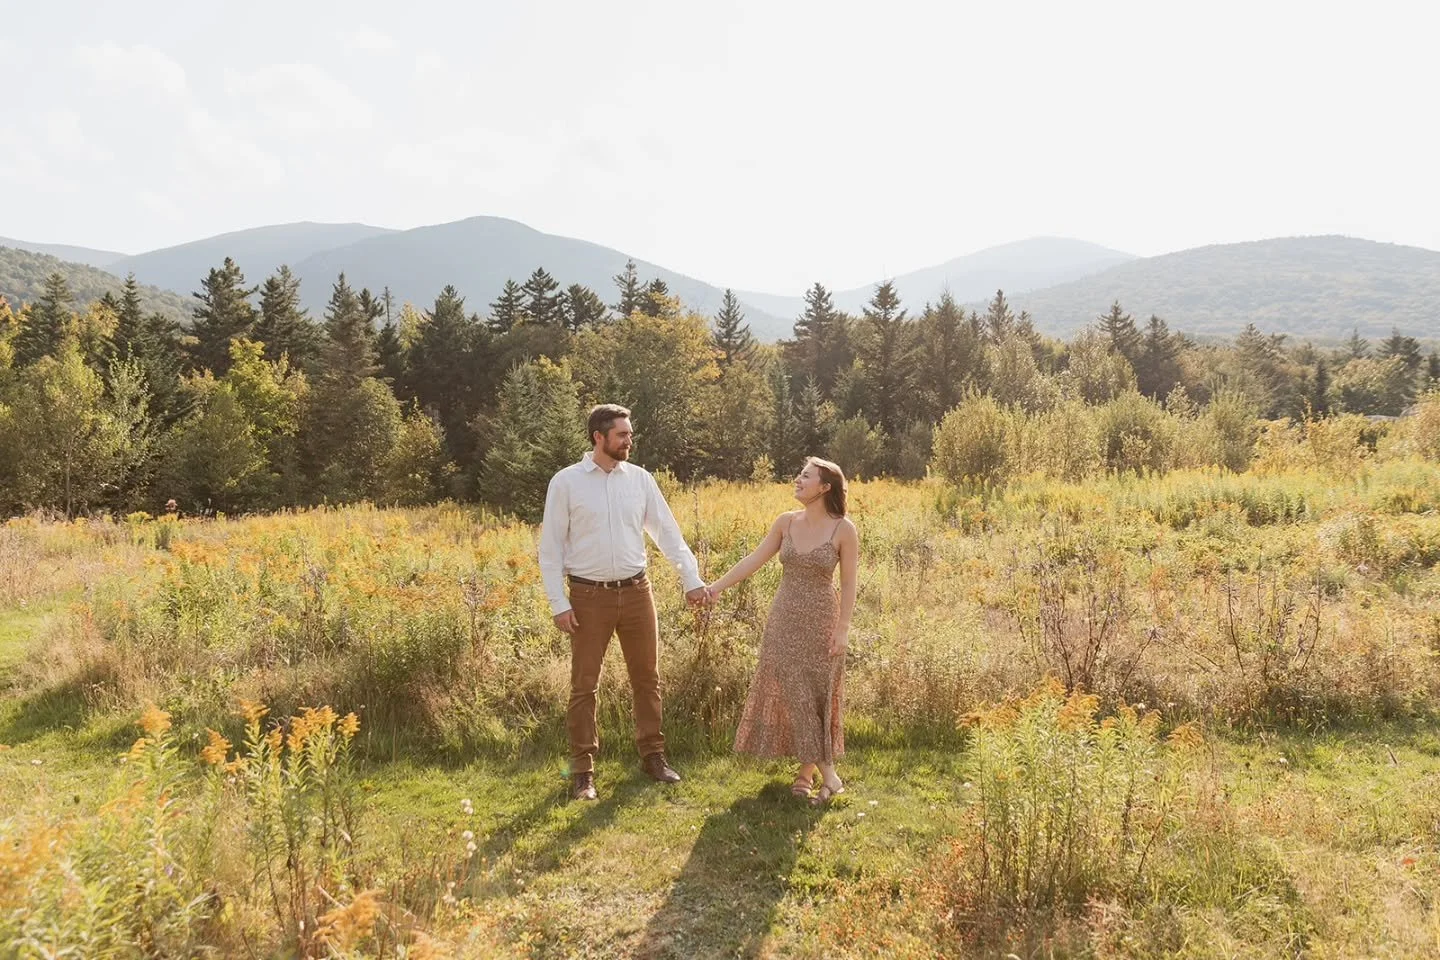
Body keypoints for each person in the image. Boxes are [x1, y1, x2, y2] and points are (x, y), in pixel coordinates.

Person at [538, 403, 710, 801]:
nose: (629, 441)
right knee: (584, 686)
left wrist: (691, 578)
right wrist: (558, 603)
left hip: (637, 592)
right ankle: (582, 771)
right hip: (586, 597)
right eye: (622, 435)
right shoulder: (565, 483)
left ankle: (653, 757)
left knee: (647, 679)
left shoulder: (641, 480)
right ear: (599, 437)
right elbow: (549, 550)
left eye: (630, 434)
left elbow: (668, 533)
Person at [705, 457, 858, 804]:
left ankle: (810, 773)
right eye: (800, 475)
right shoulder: (786, 523)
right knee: (794, 693)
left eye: (806, 476)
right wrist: (716, 587)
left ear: (824, 487)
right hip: (784, 618)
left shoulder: (843, 529)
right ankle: (829, 775)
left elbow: (849, 584)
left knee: (816, 696)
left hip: (822, 619)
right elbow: (753, 561)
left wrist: (843, 628)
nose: (798, 480)